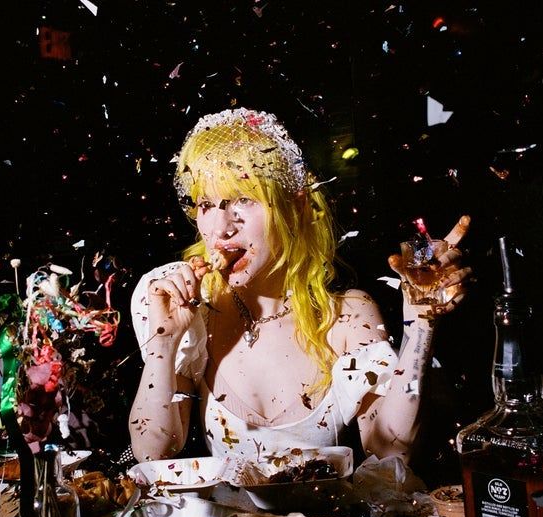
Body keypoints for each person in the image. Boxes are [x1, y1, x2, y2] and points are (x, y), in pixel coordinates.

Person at [128, 108, 471, 466]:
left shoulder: (347, 316)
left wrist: (420, 325)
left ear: (294, 206)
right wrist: (164, 343)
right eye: (206, 204)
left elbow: (391, 452)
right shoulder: (193, 311)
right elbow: (153, 452)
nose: (220, 229)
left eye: (244, 199)